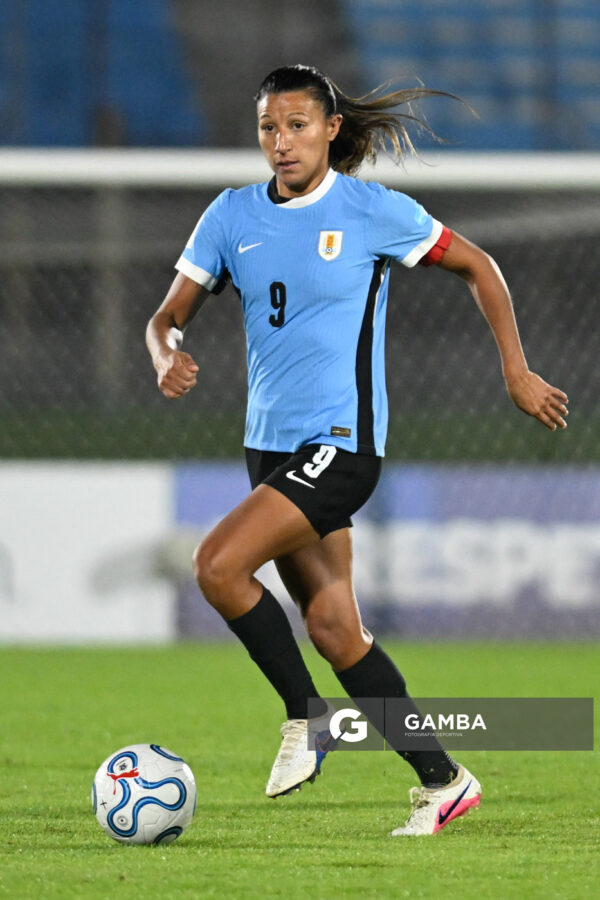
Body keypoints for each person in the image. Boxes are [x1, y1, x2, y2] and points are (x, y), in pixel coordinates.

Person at [146, 65, 568, 836]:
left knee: (216, 567)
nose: (282, 142)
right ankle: (444, 779)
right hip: (267, 448)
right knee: (336, 628)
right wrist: (164, 350)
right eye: (270, 128)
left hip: (341, 445)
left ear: (332, 129)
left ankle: (306, 718)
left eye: (298, 125)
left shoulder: (372, 212)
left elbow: (478, 263)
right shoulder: (230, 214)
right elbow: (165, 316)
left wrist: (515, 365)